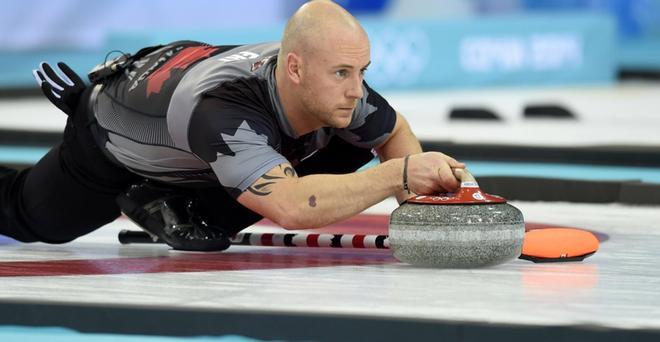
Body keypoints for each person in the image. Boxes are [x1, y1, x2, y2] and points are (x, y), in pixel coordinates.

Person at [0, 0, 465, 251]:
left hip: (182, 103)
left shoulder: (333, 88)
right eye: (342, 73)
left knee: (352, 143)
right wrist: (399, 176)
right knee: (32, 220)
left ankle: (172, 202)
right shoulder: (227, 114)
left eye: (361, 71)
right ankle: (159, 194)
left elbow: (392, 131)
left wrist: (421, 209)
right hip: (107, 138)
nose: (356, 89)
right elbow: (291, 208)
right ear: (296, 69)